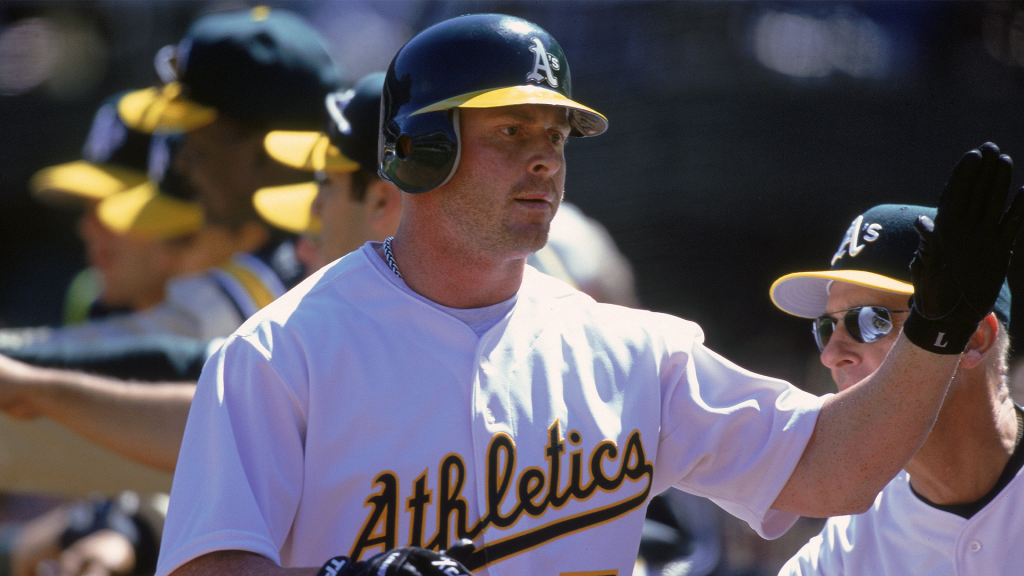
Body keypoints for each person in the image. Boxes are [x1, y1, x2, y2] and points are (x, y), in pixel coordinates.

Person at [155, 14, 1023, 576]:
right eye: (510, 130)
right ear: (419, 148)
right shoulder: (282, 352)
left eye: (557, 133)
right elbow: (203, 563)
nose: (545, 156)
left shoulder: (627, 349)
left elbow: (833, 468)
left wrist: (935, 334)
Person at [773, 204, 1022, 575]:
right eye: (826, 328)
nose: (831, 355)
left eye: (869, 320)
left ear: (973, 339)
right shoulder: (838, 555)